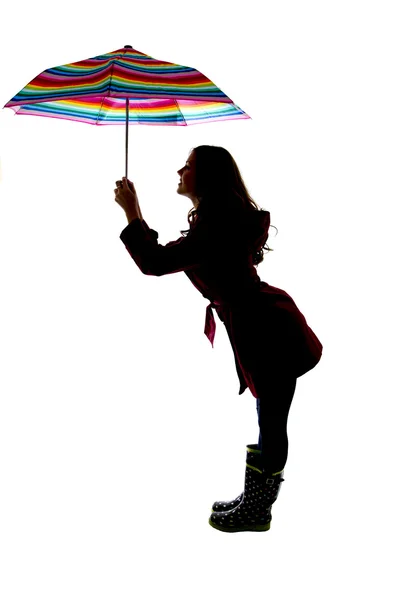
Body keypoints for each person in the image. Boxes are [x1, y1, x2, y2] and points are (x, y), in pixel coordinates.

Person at [114, 145, 323, 533]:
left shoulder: (215, 228)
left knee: (272, 420)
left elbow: (155, 263)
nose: (180, 169)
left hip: (266, 330)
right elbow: (171, 258)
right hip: (260, 324)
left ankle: (258, 511)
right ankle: (255, 503)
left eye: (189, 165)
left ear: (207, 177)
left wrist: (132, 211)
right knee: (268, 417)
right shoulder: (216, 223)